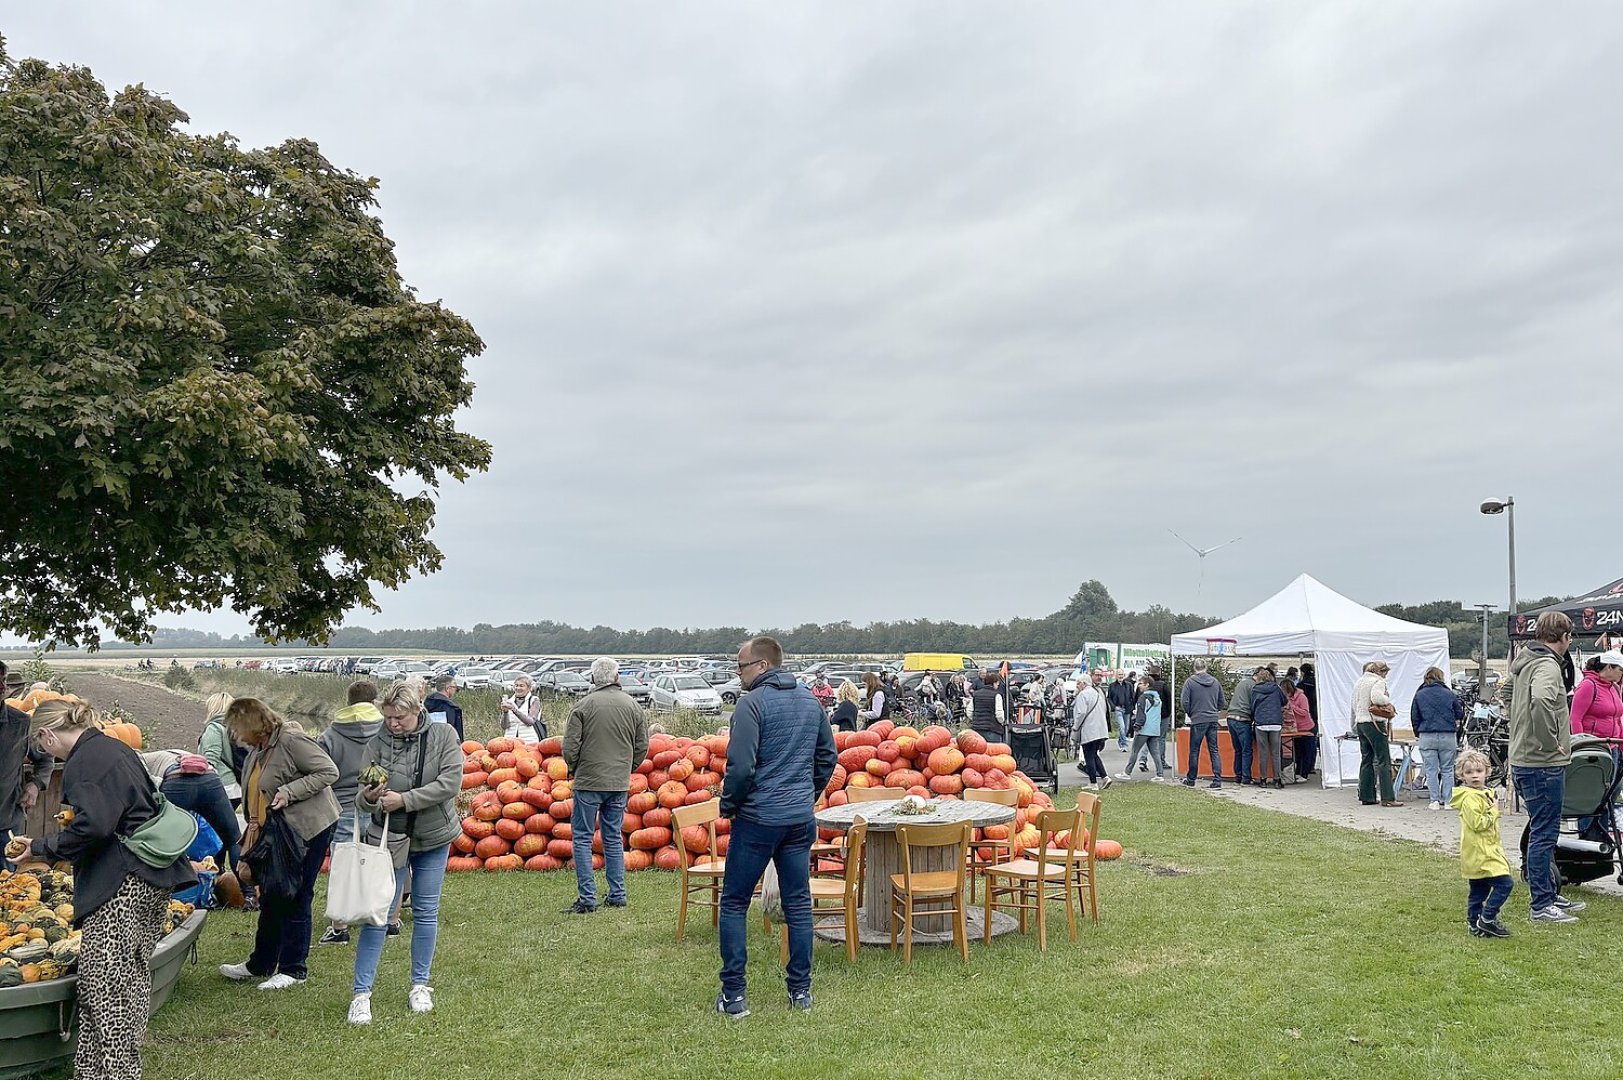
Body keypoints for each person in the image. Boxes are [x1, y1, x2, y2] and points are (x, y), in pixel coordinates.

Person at [13, 698, 194, 1080]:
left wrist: (42, 848)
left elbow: (93, 826)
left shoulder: (86, 763)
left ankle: (119, 1072)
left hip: (121, 882)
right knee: (131, 975)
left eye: (39, 743)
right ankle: (93, 1072)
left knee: (103, 987)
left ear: (46, 735)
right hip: (150, 876)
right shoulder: (113, 747)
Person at [716, 635, 837, 1019]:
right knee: (799, 903)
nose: (738, 675)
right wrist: (808, 793)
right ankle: (800, 992)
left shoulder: (751, 705)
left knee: (734, 902)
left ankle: (734, 995)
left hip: (758, 819)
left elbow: (740, 766)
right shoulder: (809, 702)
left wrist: (730, 804)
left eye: (742, 667)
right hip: (799, 820)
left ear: (763, 666)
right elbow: (827, 757)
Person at [348, 682, 464, 1025]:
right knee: (378, 914)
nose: (393, 723)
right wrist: (371, 797)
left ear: (417, 710)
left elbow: (449, 784)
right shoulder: (378, 743)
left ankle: (420, 985)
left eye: (400, 717)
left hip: (434, 835)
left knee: (426, 911)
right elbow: (360, 796)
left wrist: (405, 800)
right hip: (390, 839)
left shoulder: (443, 736)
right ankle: (361, 994)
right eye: (388, 717)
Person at [218, 698, 340, 989]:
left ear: (253, 725)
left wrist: (290, 790)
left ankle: (293, 968)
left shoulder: (291, 740)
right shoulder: (259, 749)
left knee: (296, 892)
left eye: (237, 729)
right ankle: (261, 963)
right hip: (274, 830)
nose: (235, 735)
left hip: (307, 828)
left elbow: (328, 771)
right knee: (272, 892)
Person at [560, 658, 649, 915]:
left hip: (588, 780)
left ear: (593, 679)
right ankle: (617, 894)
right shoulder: (632, 706)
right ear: (617, 677)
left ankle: (587, 898)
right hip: (618, 782)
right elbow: (642, 744)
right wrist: (629, 766)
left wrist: (574, 767)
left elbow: (570, 747)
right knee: (612, 837)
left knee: (583, 838)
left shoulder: (582, 706)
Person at [1509, 612, 1582, 924]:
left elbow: (1517, 697)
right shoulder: (1548, 665)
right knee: (1545, 832)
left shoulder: (1526, 661)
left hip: (1524, 758)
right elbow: (1540, 700)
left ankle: (1549, 893)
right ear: (1564, 637)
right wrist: (1550, 742)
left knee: (1543, 829)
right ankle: (1541, 904)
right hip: (1542, 762)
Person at [317, 679, 384, 946]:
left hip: (342, 804)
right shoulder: (385, 730)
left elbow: (321, 772)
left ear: (348, 701)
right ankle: (384, 917)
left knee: (344, 862)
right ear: (375, 700)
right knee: (380, 858)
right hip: (378, 798)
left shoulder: (331, 735)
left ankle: (340, 925)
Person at [139, 749, 241, 873]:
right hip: (210, 778)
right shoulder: (168, 754)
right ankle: (248, 891)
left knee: (165, 843)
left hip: (176, 781)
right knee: (233, 838)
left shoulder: (138, 760)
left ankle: (168, 885)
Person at [1451, 749, 1513, 938]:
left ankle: (1475, 924)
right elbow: (1478, 824)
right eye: (1469, 772)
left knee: (1479, 889)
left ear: (1487, 772)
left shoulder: (1486, 793)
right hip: (1480, 851)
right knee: (1505, 883)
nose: (1475, 776)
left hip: (1486, 848)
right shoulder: (1469, 798)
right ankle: (1487, 918)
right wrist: (1494, 811)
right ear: (1462, 775)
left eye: (1478, 771)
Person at [0, 661, 54, 861]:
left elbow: (45, 758)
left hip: (6, 823)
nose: (2, 687)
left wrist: (35, 784)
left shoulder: (20, 723)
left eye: (4, 681)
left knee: (8, 885)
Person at [1412, 666, 1465, 810]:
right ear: (1441, 677)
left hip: (1427, 735)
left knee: (1431, 770)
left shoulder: (1420, 694)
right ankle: (1448, 801)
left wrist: (1418, 733)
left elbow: (1415, 717)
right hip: (1448, 734)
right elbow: (1460, 713)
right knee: (1448, 769)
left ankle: (1434, 800)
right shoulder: (1449, 693)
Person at [1353, 661, 1401, 808]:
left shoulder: (1359, 682)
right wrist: (1387, 699)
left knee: (1366, 759)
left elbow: (1355, 704)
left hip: (1361, 722)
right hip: (1375, 723)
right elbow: (1377, 698)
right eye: (1385, 672)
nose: (1386, 675)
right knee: (1383, 759)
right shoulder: (1378, 681)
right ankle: (1387, 797)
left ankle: (1366, 795)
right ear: (1381, 671)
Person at [1179, 659, 1225, 789]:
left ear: (1194, 668)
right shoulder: (1215, 682)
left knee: (1194, 750)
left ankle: (1191, 779)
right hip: (1212, 718)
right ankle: (1217, 779)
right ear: (1206, 667)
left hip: (1198, 719)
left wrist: (1191, 713)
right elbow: (1221, 701)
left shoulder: (1190, 682)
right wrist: (1214, 711)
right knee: (1214, 749)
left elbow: (1184, 702)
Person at [196, 692, 242, 805]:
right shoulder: (236, 728)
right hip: (236, 786)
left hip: (221, 786)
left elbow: (210, 759)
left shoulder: (214, 728)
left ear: (213, 708)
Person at [1116, 676, 1165, 782]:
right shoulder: (1157, 698)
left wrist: (1137, 726)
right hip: (1155, 729)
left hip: (1144, 729)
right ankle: (1159, 774)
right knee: (1155, 752)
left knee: (1135, 751)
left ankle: (1127, 772)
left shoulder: (1143, 698)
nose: (1139, 686)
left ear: (1147, 685)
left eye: (1141, 683)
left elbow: (1141, 714)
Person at [1569, 650, 1623, 742]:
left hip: (1614, 745)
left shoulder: (1615, 688)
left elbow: (1617, 720)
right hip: (1593, 746)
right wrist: (1581, 744)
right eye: (1621, 670)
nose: (1622, 674)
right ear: (1609, 667)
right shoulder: (1588, 685)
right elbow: (1575, 719)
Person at [1071, 670, 1110, 790]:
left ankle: (1093, 782)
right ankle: (1105, 777)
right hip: (1101, 729)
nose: (1077, 686)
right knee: (1094, 755)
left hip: (1090, 729)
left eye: (1078, 683)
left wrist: (1075, 727)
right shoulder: (1097, 693)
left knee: (1089, 756)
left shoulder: (1083, 695)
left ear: (1083, 683)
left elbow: (1081, 713)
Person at [1251, 668, 1287, 789]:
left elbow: (1253, 705)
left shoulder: (1255, 689)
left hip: (1260, 722)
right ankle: (1277, 780)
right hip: (1275, 723)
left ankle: (1263, 780)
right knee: (1276, 753)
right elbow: (1284, 701)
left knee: (1263, 753)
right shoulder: (1276, 688)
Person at [1225, 668, 1257, 785]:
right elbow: (1254, 704)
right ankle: (1246, 778)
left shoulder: (1241, 683)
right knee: (1246, 750)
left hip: (1231, 718)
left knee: (1237, 750)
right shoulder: (1253, 686)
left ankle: (1238, 776)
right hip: (1243, 719)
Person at [1282, 677, 1315, 782]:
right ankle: (1297, 773)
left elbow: (1305, 712)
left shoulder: (1302, 697)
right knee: (1298, 752)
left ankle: (1304, 774)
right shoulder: (1286, 699)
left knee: (1307, 752)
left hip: (1306, 727)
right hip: (1295, 729)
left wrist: (1292, 707)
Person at [500, 677, 546, 742]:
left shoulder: (534, 700)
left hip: (529, 741)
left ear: (529, 688)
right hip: (510, 741)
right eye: (516, 686)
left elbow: (530, 722)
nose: (518, 688)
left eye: (521, 686)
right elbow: (504, 726)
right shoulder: (509, 701)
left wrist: (514, 710)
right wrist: (505, 712)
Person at [422, 676, 464, 741]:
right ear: (448, 689)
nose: (456, 691)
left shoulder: (425, 704)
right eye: (455, 687)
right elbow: (453, 731)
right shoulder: (450, 707)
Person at [968, 670, 1005, 741]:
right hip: (992, 729)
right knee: (994, 751)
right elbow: (999, 714)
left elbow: (969, 711)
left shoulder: (976, 694)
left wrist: (975, 720)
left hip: (977, 729)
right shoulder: (996, 695)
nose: (998, 685)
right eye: (997, 683)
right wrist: (1001, 722)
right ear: (994, 683)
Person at [1108, 673, 1137, 751]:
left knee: (1126, 728)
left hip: (1127, 709)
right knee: (1122, 727)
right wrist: (1114, 707)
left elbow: (1132, 696)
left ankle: (1120, 741)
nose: (1120, 676)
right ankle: (1124, 745)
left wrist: (1133, 707)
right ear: (1116, 676)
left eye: (1122, 674)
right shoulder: (1112, 686)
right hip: (1118, 709)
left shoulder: (1129, 685)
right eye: (1119, 674)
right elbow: (1109, 698)